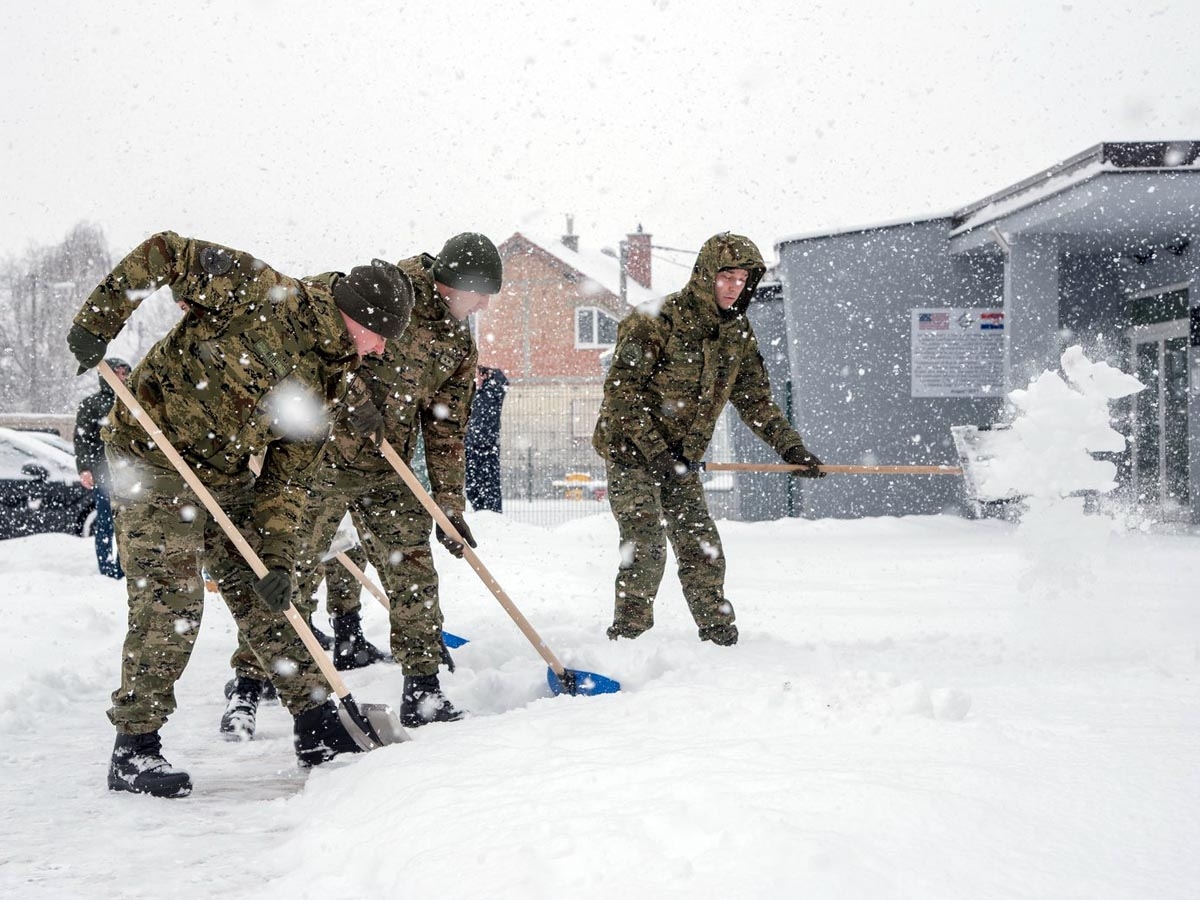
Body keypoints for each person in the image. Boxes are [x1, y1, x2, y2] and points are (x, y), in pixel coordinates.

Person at [66, 231, 414, 797]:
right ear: (357, 317)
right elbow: (167, 250)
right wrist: (98, 321)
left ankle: (316, 723)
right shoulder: (261, 288)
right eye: (379, 337)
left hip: (225, 474)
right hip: (152, 455)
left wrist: (275, 556)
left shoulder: (329, 381)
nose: (379, 351)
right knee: (171, 600)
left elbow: (287, 479)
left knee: (271, 592)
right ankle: (135, 747)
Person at [221, 232, 502, 735]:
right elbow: (319, 336)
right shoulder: (391, 290)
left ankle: (424, 690)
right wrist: (353, 398)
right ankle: (248, 685)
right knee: (291, 573)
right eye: (481, 293)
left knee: (413, 571)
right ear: (456, 283)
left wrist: (449, 505)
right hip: (318, 459)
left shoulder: (458, 344)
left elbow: (445, 429)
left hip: (387, 472)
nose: (482, 304)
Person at [592, 232, 824, 646]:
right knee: (646, 547)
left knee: (702, 546)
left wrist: (791, 447)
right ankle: (627, 640)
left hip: (681, 459)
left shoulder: (737, 333)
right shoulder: (655, 320)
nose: (734, 287)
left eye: (743, 279)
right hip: (632, 452)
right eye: (726, 276)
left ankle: (719, 637)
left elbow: (755, 400)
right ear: (705, 274)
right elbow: (620, 396)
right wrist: (658, 453)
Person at [74, 357, 131, 578]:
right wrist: (85, 469)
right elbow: (82, 440)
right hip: (104, 474)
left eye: (125, 372)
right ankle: (106, 570)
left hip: (130, 475)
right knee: (106, 522)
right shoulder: (91, 405)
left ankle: (123, 567)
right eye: (118, 372)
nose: (123, 377)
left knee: (127, 524)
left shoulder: (133, 402)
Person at [465, 366, 509, 512]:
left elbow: (504, 382)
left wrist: (491, 373)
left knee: (490, 486)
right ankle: (480, 513)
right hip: (470, 447)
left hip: (489, 447)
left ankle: (493, 514)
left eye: (477, 375)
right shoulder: (471, 395)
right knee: (472, 487)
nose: (476, 378)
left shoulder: (493, 393)